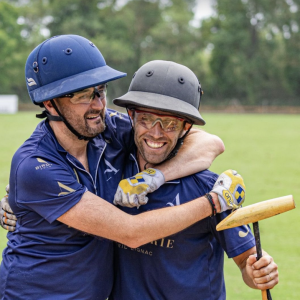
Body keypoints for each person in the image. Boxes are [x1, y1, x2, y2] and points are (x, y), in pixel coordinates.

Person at [0, 34, 241, 300]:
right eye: (84, 96)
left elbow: (208, 143)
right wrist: (214, 202)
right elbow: (131, 232)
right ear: (49, 102)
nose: (99, 105)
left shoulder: (106, 130)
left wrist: (155, 176)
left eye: (100, 91)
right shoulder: (35, 166)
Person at [109, 60, 279, 299]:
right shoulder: (112, 170)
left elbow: (247, 261)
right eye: (146, 119)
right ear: (132, 116)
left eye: (169, 123)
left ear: (186, 127)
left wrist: (258, 272)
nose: (156, 133)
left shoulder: (212, 188)